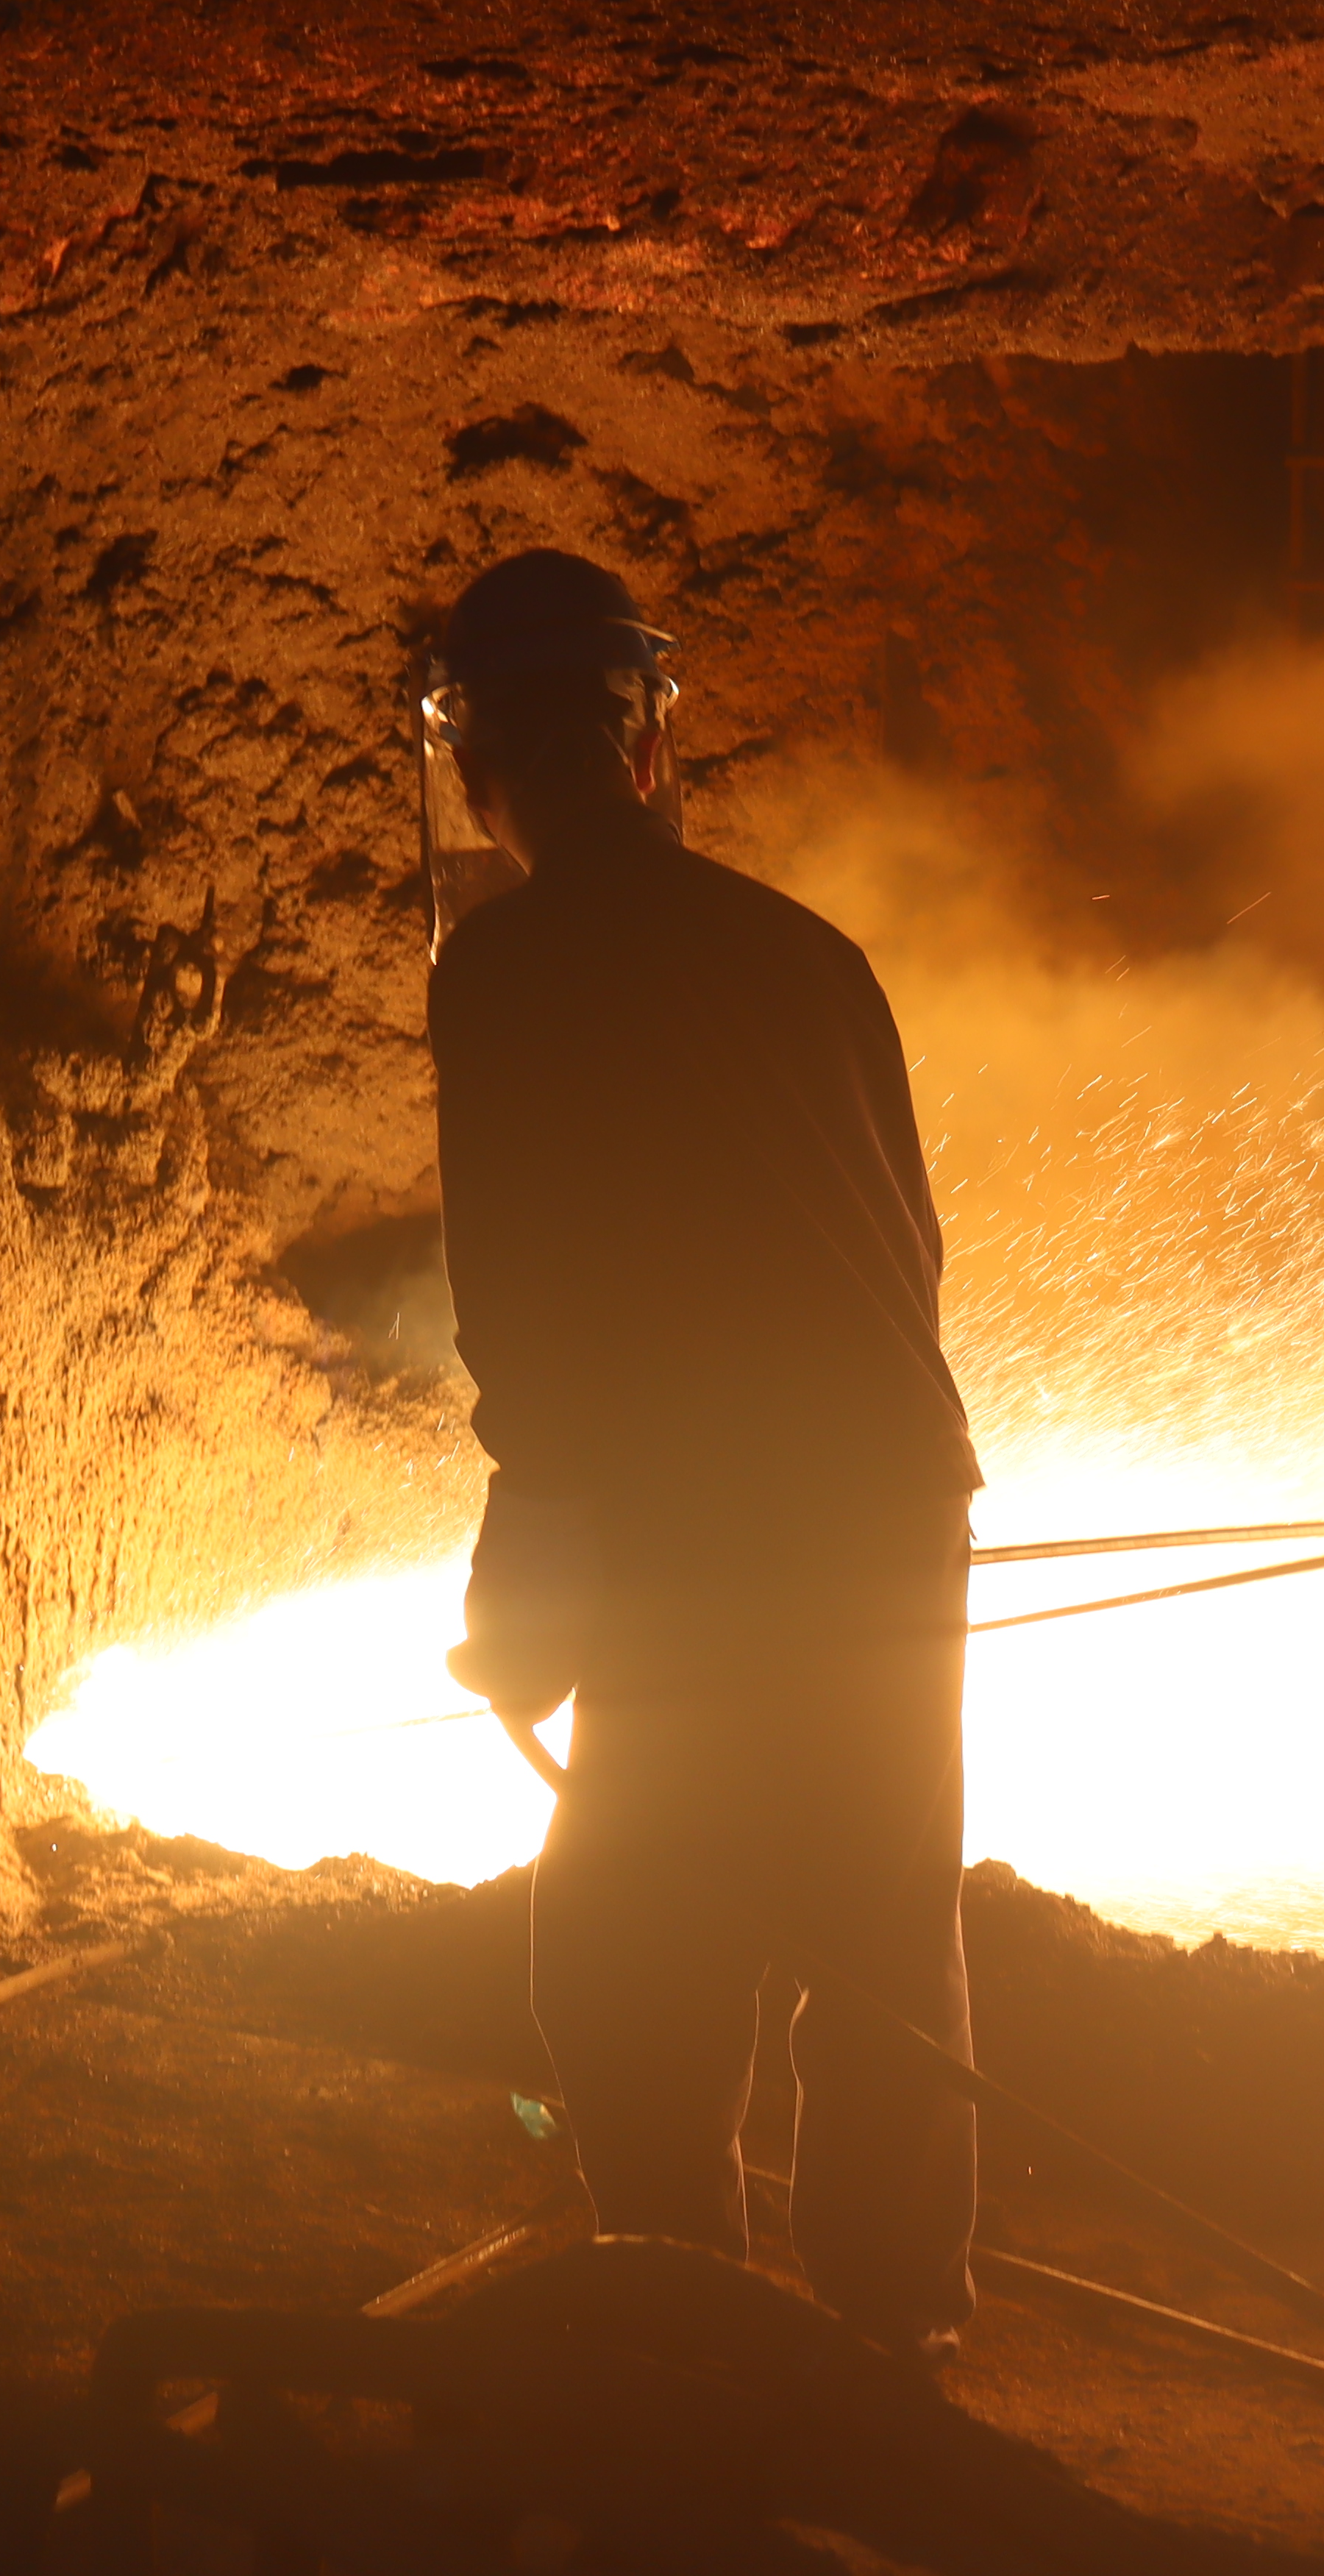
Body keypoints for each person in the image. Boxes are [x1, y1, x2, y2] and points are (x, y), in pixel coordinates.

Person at [417, 548, 986, 2355]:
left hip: (701, 1517)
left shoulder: (503, 967)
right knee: (880, 1920)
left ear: (474, 765)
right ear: (650, 742)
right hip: (898, 1493)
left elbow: (530, 1300)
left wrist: (529, 1583)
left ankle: (678, 2313)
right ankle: (900, 2330)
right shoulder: (809, 952)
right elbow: (909, 1251)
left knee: (634, 1931)